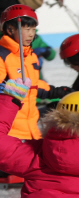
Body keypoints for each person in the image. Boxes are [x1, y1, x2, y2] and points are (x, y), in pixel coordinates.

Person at [0, 4, 70, 140]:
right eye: (27, 29)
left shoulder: (30, 55)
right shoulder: (3, 56)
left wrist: (57, 91)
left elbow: (34, 85)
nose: (32, 34)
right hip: (10, 133)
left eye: (33, 29)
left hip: (31, 130)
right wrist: (6, 89)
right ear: (10, 29)